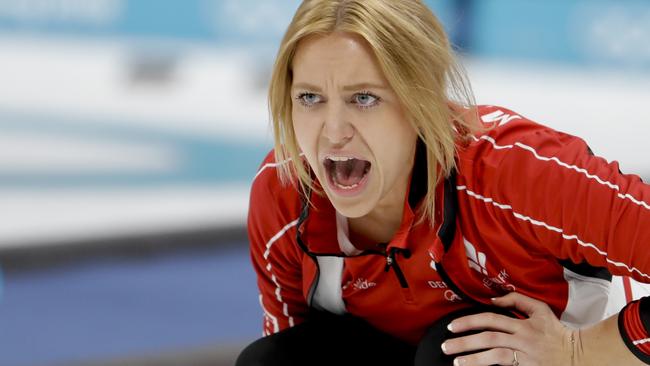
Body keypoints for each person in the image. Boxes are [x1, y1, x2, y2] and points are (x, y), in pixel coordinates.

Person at [236, 1, 650, 365]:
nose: (333, 131)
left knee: (456, 353)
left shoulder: (517, 171)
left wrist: (579, 351)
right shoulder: (286, 192)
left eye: (364, 98)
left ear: (423, 100)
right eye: (309, 98)